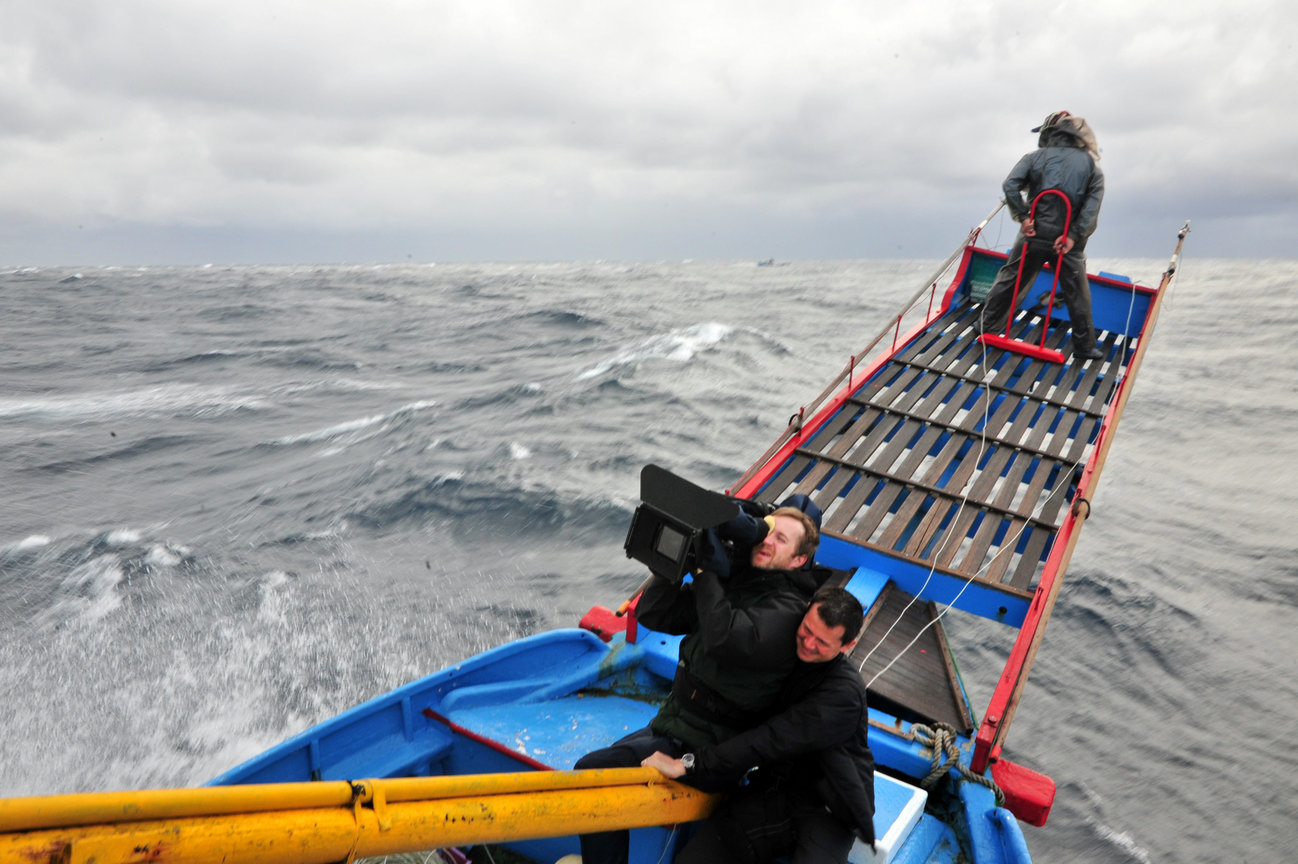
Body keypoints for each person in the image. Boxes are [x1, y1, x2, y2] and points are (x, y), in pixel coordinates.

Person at [574, 499, 827, 864]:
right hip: (674, 727)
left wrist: (708, 573)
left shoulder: (789, 611)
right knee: (599, 772)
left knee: (592, 774)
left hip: (708, 754)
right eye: (766, 531)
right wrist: (675, 564)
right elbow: (655, 613)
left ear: (798, 560)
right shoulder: (739, 584)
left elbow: (724, 640)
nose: (766, 540)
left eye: (781, 539)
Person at [642, 587, 875, 864]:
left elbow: (772, 739)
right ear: (806, 611)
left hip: (828, 809)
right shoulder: (784, 651)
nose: (808, 644)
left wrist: (689, 764)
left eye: (822, 642)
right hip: (772, 791)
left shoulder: (843, 695)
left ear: (846, 646)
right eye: (807, 630)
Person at [980, 110, 1106, 360]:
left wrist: (1024, 218)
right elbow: (1091, 209)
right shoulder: (1092, 166)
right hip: (1066, 243)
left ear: (1049, 134)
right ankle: (1085, 347)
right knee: (1078, 293)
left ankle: (985, 327)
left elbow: (1010, 186)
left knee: (1010, 277)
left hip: (1033, 235)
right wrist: (1072, 235)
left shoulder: (1033, 157)